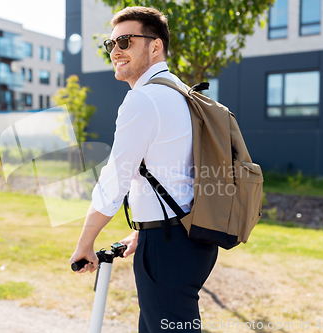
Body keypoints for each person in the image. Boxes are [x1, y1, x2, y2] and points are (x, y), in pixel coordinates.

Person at [69, 6, 218, 332]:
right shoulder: (181, 92)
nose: (115, 51)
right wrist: (141, 231)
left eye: (125, 41)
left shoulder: (145, 99)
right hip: (191, 236)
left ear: (155, 46)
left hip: (168, 245)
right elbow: (178, 172)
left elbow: (115, 178)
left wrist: (85, 243)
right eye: (111, 45)